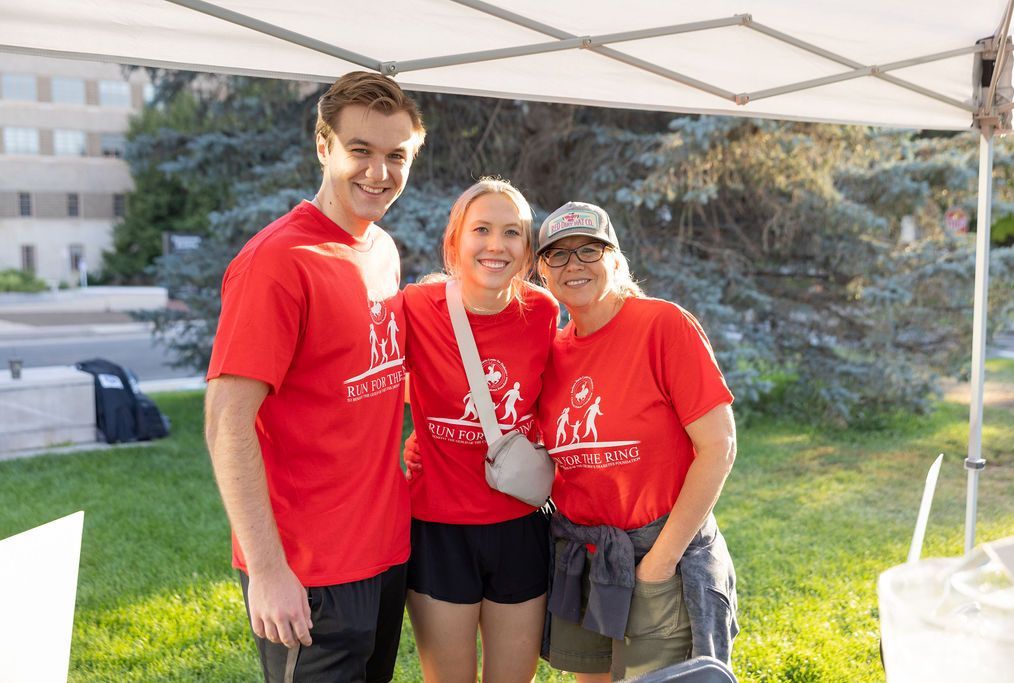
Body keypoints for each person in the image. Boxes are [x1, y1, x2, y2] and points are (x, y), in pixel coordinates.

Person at [204, 71, 425, 682]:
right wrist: (269, 572)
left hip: (384, 552)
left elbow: (360, 377)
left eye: (395, 156)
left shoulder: (381, 249)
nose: (379, 173)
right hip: (310, 570)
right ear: (324, 147)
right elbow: (228, 422)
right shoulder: (276, 263)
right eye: (361, 151)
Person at [535, 202, 739, 682]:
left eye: (588, 250)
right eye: (557, 256)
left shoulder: (663, 326)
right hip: (587, 559)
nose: (573, 265)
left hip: (660, 557)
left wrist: (661, 562)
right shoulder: (552, 353)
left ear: (615, 258)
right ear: (542, 271)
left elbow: (719, 446)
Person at [402, 178, 559, 683]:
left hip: (519, 522)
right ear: (455, 242)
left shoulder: (543, 312)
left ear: (528, 249)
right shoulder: (416, 308)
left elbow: (552, 397)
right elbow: (382, 383)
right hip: (438, 526)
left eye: (512, 232)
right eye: (482, 230)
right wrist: (419, 431)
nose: (496, 245)